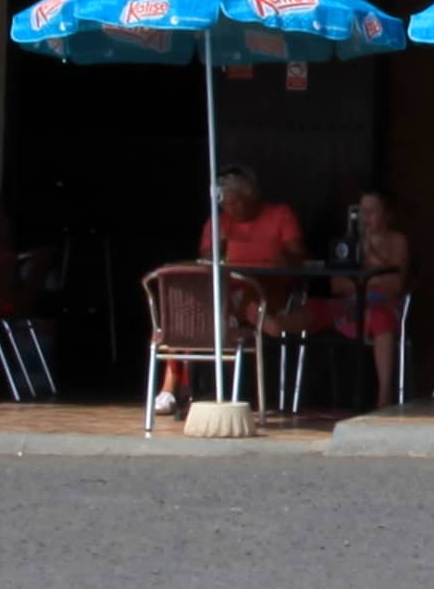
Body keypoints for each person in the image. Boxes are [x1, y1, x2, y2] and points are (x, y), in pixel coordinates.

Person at [156, 166, 307, 415]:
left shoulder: (280, 215)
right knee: (188, 312)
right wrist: (221, 242)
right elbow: (205, 259)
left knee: (227, 306)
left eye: (237, 202)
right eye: (226, 203)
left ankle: (216, 389)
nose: (231, 209)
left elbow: (298, 256)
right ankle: (169, 390)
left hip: (266, 292)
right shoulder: (219, 221)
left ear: (252, 197)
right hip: (227, 291)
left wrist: (286, 258)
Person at [267, 189, 410, 406]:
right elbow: (336, 284)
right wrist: (367, 276)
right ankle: (279, 324)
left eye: (372, 211)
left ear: (387, 215)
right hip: (349, 305)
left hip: (380, 305)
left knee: (382, 320)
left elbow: (395, 283)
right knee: (316, 306)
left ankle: (384, 393)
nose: (366, 217)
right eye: (362, 211)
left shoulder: (397, 241)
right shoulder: (348, 243)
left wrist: (370, 256)